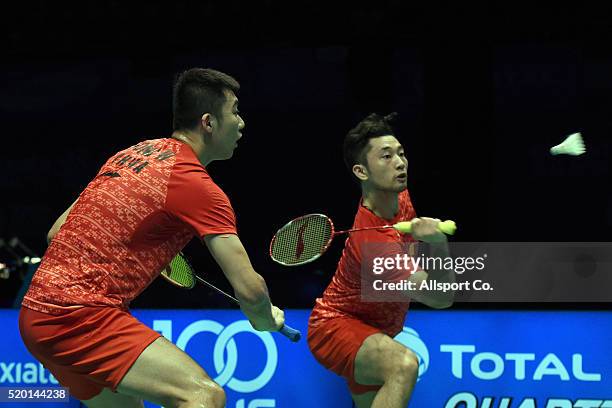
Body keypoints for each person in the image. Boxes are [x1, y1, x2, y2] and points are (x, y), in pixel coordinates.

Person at [19, 68, 285, 408]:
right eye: (234, 111)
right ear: (209, 122)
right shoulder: (198, 187)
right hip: (79, 313)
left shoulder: (130, 155)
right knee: (202, 395)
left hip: (35, 315)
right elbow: (250, 290)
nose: (241, 122)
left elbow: (56, 232)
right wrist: (264, 319)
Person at [307, 113, 455, 408]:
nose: (400, 163)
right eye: (386, 157)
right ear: (361, 171)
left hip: (376, 331)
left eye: (401, 153)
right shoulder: (374, 246)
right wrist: (438, 245)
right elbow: (442, 299)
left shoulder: (399, 198)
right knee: (403, 364)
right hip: (336, 328)